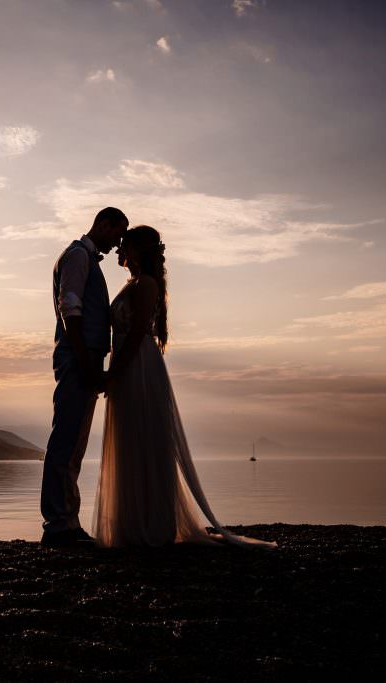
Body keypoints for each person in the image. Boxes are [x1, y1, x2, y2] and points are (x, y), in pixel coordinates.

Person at [92, 225, 277, 549]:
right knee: (130, 438)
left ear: (140, 251)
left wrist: (113, 374)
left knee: (146, 438)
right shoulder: (132, 284)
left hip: (140, 369)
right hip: (127, 365)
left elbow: (136, 336)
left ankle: (154, 523)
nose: (120, 250)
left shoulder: (146, 284)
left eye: (127, 245)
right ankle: (132, 522)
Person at [41, 207, 129, 547]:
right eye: (117, 233)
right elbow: (70, 307)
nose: (118, 242)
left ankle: (65, 520)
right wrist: (83, 358)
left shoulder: (85, 259)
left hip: (85, 356)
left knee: (75, 440)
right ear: (103, 224)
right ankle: (59, 525)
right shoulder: (78, 256)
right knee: (67, 437)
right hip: (78, 357)